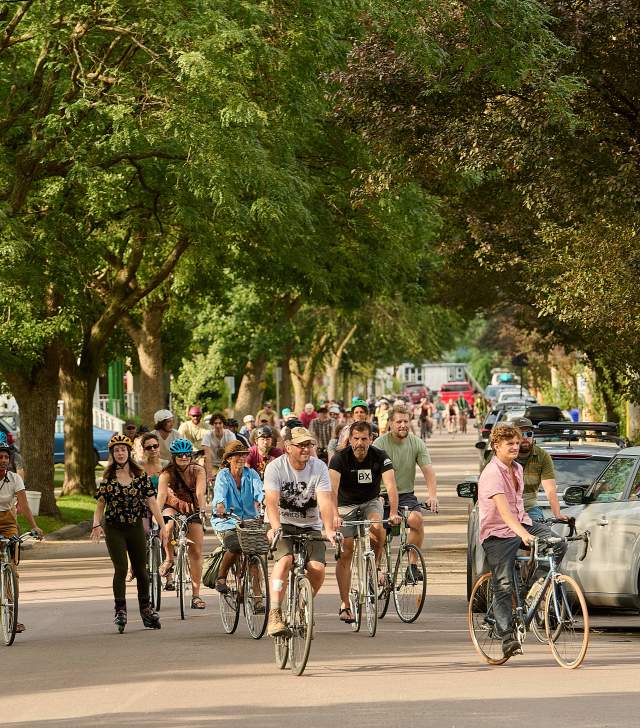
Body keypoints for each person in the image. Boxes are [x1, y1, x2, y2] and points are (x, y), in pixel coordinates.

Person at [478, 423, 567, 658]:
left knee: (558, 544)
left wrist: (529, 531)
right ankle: (507, 637)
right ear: (496, 446)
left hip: (522, 523)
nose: (516, 447)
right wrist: (524, 535)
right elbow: (505, 513)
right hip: (497, 532)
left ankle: (531, 591)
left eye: (517, 443)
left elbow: (518, 510)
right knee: (504, 583)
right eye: (510, 444)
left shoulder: (516, 468)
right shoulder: (491, 473)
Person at [263, 427, 337, 637]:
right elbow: (271, 501)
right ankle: (275, 613)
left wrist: (329, 528)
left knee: (317, 569)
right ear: (288, 448)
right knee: (285, 561)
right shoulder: (275, 468)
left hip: (310, 525)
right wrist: (275, 527)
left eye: (309, 444)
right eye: (301, 445)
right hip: (282, 524)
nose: (306, 449)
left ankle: (304, 605)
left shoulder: (319, 467)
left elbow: (324, 501)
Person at [329, 421, 401, 624]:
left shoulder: (380, 456)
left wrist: (394, 512)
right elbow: (332, 491)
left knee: (378, 527)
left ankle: (374, 567)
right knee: (347, 550)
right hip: (345, 506)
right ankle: (345, 604)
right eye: (356, 439)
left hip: (370, 502)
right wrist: (334, 515)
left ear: (371, 439)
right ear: (350, 440)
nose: (360, 443)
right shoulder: (339, 458)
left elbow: (391, 486)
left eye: (364, 439)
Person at [91, 434, 163, 631]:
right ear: (113, 454)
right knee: (121, 568)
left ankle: (146, 609)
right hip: (114, 528)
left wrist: (162, 525)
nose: (120, 453)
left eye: (123, 450)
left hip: (135, 527)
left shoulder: (140, 476)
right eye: (116, 451)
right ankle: (120, 610)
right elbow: (100, 504)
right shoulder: (108, 478)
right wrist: (96, 524)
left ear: (128, 452)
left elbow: (151, 501)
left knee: (141, 569)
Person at [373, 405, 438, 580]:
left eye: (406, 421)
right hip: (381, 495)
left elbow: (428, 471)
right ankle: (375, 570)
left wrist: (432, 495)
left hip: (405, 495)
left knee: (417, 520)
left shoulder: (416, 443)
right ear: (390, 424)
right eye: (398, 421)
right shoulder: (379, 444)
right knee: (378, 531)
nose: (403, 425)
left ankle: (412, 566)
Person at [156, 438, 207, 608]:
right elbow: (161, 496)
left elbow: (200, 492)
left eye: (187, 455)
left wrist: (202, 509)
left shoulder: (198, 471)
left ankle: (196, 595)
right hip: (172, 506)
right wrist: (157, 515)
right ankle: (169, 559)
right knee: (168, 528)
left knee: (197, 551)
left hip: (192, 508)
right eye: (180, 455)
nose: (184, 458)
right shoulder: (166, 473)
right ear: (174, 457)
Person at [0, 434, 43, 634]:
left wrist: (34, 526)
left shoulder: (14, 478)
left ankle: (11, 614)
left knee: (12, 569)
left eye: (5, 458)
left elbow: (24, 505)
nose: (3, 461)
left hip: (9, 522)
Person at [211, 441, 264, 594]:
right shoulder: (223, 475)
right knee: (235, 546)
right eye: (237, 455)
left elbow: (260, 491)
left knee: (254, 554)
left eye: (244, 455)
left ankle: (258, 598)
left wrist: (265, 499)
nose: (241, 458)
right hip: (226, 521)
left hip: (249, 520)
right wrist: (220, 505)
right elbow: (219, 493)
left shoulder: (251, 473)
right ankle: (221, 577)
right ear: (228, 459)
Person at [202, 413, 236, 482]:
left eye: (220, 423)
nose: (218, 425)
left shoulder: (230, 435)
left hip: (226, 463)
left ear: (223, 424)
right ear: (212, 424)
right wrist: (209, 475)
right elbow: (207, 456)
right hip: (213, 464)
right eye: (215, 423)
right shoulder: (207, 436)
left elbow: (233, 453)